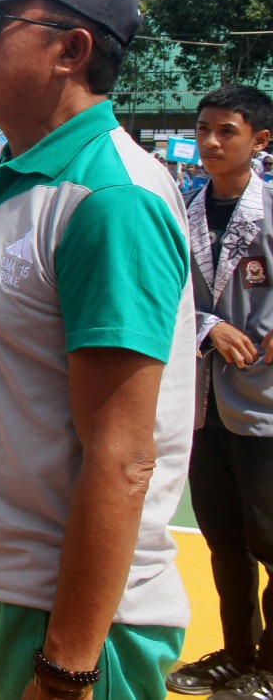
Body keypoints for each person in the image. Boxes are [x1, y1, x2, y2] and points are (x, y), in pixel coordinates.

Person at [0, 0, 195, 700]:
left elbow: (123, 454)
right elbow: (1, 408)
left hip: (71, 623)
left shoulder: (110, 198)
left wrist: (68, 667)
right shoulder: (17, 183)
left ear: (72, 49)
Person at [165, 85, 273, 699]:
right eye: (203, 128)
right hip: (203, 408)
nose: (209, 141)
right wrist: (209, 326)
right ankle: (236, 654)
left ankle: (271, 665)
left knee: (272, 542)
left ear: (259, 140)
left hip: (265, 409)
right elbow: (172, 298)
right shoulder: (183, 210)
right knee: (225, 542)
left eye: (226, 131)